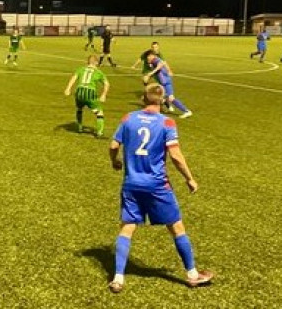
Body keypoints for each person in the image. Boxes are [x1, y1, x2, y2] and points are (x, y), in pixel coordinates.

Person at [107, 83, 214, 293]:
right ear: (162, 100)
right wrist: (189, 178)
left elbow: (113, 145)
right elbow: (175, 155)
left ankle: (118, 278)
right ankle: (193, 275)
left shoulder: (128, 118)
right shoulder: (167, 122)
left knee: (127, 227)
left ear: (143, 99)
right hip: (157, 185)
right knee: (176, 227)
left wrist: (115, 161)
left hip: (131, 184)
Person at [64, 55, 110, 137]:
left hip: (79, 92)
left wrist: (68, 89)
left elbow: (73, 78)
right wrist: (103, 95)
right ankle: (99, 132)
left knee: (79, 109)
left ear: (87, 62)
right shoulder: (98, 72)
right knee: (99, 112)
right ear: (96, 62)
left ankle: (79, 128)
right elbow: (107, 84)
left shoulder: (80, 69)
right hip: (90, 93)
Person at [144, 52, 192, 118]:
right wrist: (169, 70)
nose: (147, 59)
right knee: (160, 96)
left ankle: (186, 111)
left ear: (152, 56)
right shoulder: (152, 62)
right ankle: (167, 108)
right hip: (163, 82)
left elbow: (160, 64)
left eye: (148, 57)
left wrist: (151, 73)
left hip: (166, 82)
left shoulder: (155, 60)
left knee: (170, 98)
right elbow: (164, 63)